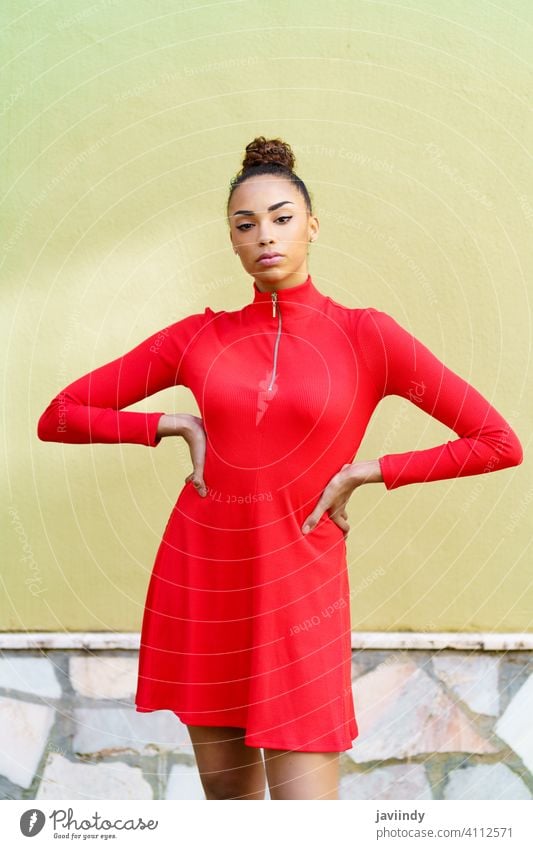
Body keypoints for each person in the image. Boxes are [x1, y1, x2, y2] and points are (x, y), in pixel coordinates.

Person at [37, 135, 524, 801]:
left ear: (311, 226)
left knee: (302, 826)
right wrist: (170, 423)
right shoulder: (196, 337)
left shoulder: (366, 335)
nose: (264, 234)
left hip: (302, 589)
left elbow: (496, 440)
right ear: (231, 241)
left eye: (280, 216)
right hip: (205, 577)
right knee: (233, 819)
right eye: (245, 224)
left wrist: (367, 471)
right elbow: (59, 414)